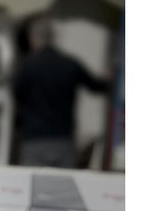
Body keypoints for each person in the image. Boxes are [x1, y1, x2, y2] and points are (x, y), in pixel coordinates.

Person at [11, 16, 108, 168]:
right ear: (53, 37)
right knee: (64, 181)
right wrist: (109, 77)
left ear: (32, 38)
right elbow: (97, 87)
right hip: (63, 139)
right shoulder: (70, 63)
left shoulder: (26, 66)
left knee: (34, 180)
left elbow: (16, 95)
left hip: (34, 140)